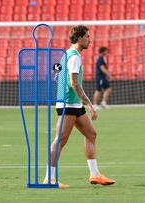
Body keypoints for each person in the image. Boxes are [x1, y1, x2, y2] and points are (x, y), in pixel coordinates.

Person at [44, 25, 115, 188]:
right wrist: (89, 104)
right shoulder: (74, 57)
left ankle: (95, 174)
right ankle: (49, 178)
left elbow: (56, 73)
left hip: (73, 104)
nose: (90, 39)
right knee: (60, 140)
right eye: (87, 36)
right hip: (68, 103)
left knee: (91, 134)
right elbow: (74, 82)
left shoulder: (66, 55)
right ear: (80, 38)